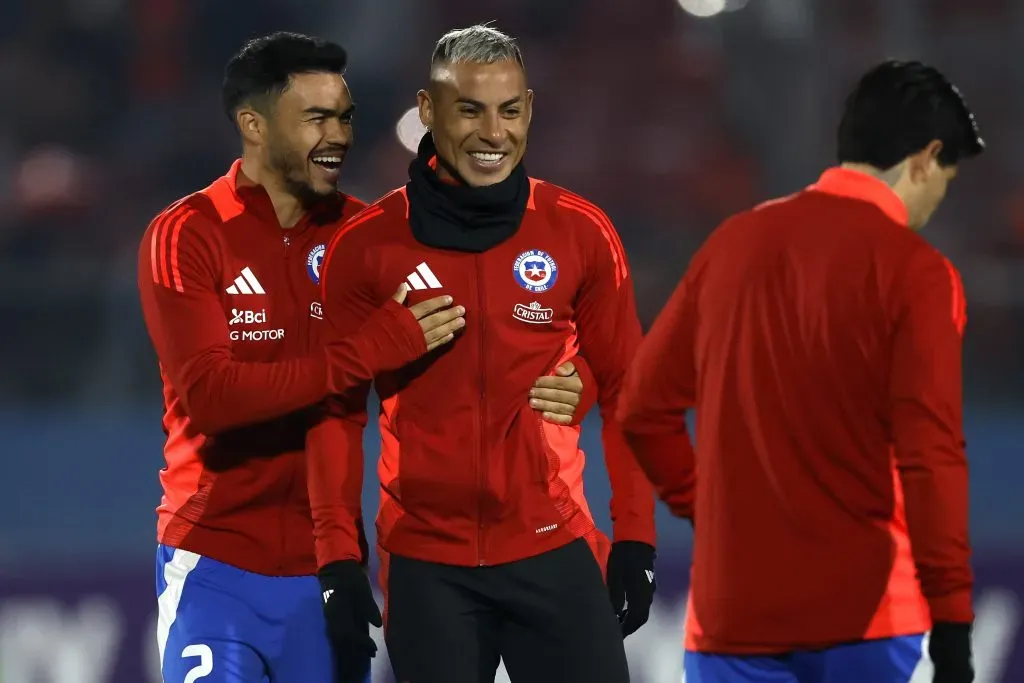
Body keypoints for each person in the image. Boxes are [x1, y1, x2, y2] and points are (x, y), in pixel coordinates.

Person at [138, 31, 591, 683]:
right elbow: (212, 398)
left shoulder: (369, 239)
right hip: (215, 563)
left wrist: (571, 380)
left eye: (345, 117)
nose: (339, 136)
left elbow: (467, 376)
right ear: (254, 124)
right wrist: (372, 349)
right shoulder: (188, 233)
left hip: (329, 573)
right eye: (316, 118)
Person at [307, 24, 657, 683]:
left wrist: (636, 537)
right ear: (429, 110)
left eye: (510, 110)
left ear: (529, 110)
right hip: (425, 564)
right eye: (470, 110)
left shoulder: (580, 232)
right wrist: (336, 558)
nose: (493, 133)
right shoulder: (366, 248)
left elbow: (628, 392)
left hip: (553, 546)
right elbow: (333, 411)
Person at [618, 59, 984, 683]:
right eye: (943, 178)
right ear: (924, 159)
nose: (937, 198)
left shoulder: (732, 245)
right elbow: (931, 457)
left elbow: (641, 410)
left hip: (733, 615)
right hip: (867, 619)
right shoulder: (918, 273)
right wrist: (951, 620)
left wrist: (705, 511)